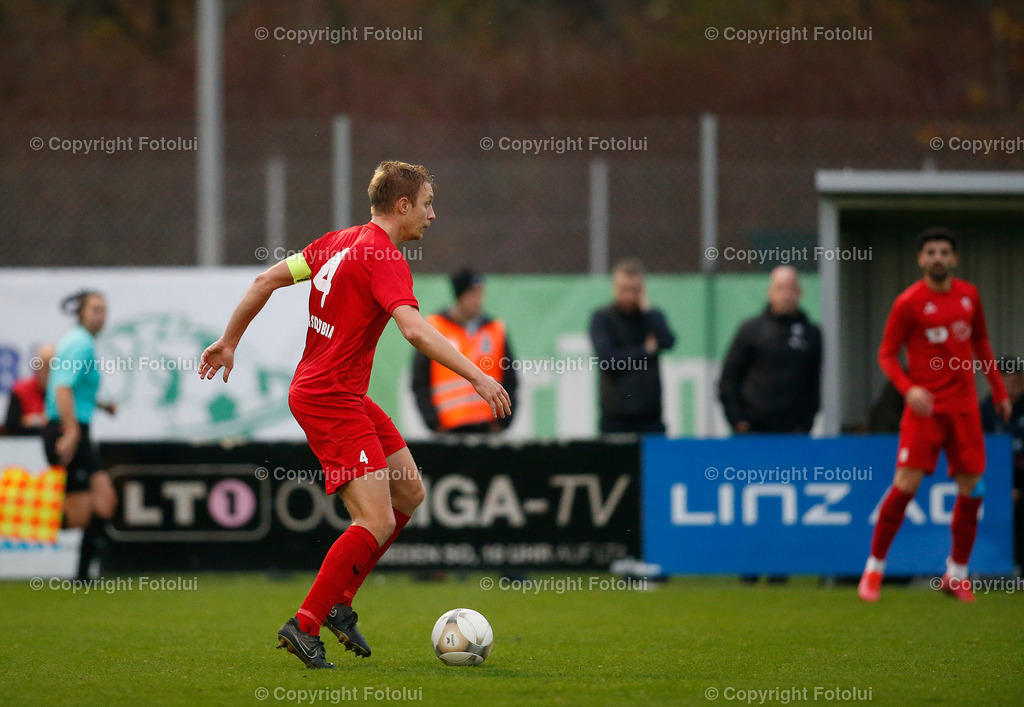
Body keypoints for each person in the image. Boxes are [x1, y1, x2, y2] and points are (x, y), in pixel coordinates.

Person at [199, 161, 510, 669]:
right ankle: (304, 624)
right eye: (428, 204)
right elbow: (413, 330)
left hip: (343, 392)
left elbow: (264, 280)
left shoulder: (336, 241)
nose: (433, 215)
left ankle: (341, 601)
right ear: (402, 205)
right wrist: (476, 375)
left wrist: (230, 341)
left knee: (409, 491)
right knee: (376, 518)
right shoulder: (383, 256)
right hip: (329, 397)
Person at [858, 228, 1011, 603]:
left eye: (944, 252)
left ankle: (956, 574)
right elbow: (887, 354)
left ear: (955, 259)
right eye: (931, 252)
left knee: (973, 489)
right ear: (921, 259)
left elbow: (982, 344)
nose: (938, 258)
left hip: (963, 408)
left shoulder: (968, 296)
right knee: (905, 487)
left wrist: (1000, 391)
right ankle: (874, 569)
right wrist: (908, 388)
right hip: (925, 410)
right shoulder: (908, 302)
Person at [42, 291, 118, 581]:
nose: (102, 315)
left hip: (79, 429)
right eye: (95, 309)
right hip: (66, 429)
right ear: (81, 313)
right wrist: (72, 430)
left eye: (104, 309)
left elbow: (76, 389)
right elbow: (61, 388)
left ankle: (83, 576)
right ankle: (14, 517)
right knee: (78, 515)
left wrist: (102, 405)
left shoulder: (82, 342)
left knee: (104, 503)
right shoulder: (79, 344)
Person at [718, 265, 822, 435]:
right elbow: (730, 377)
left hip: (794, 432)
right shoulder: (751, 330)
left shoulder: (811, 334)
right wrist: (737, 420)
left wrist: (806, 423)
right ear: (770, 292)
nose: (786, 295)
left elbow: (814, 382)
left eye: (791, 288)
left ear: (799, 292)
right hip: (754, 430)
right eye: (780, 288)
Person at [412, 268, 517, 434]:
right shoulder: (435, 327)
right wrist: (433, 422)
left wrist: (504, 422)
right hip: (448, 428)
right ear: (460, 296)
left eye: (480, 294)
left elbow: (511, 379)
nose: (478, 300)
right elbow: (420, 380)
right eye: (472, 294)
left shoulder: (496, 330)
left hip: (488, 427)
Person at [589, 257, 676, 434]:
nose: (629, 296)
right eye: (624, 289)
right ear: (614, 288)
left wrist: (648, 311)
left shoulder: (651, 317)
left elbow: (668, 341)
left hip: (651, 416)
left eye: (635, 290)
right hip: (616, 417)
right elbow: (608, 360)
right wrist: (645, 351)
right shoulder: (602, 318)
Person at [980, 356, 1024, 570]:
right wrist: (1000, 487)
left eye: (1016, 383)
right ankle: (991, 568)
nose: (1011, 390)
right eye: (1006, 384)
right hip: (996, 484)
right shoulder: (985, 411)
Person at [4, 344, 55, 436]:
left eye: (53, 366)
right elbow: (11, 426)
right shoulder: (21, 389)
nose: (48, 371)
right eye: (44, 366)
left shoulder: (66, 392)